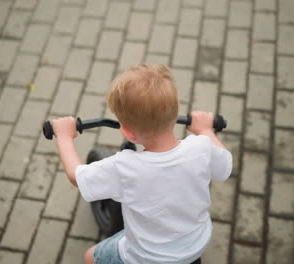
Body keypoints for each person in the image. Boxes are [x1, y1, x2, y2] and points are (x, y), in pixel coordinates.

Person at [52, 64, 233, 264]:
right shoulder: (202, 147)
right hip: (195, 243)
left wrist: (64, 136)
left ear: (128, 133)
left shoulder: (125, 168)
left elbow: (77, 175)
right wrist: (206, 130)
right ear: (175, 114)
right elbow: (225, 168)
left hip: (145, 257)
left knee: (90, 257)